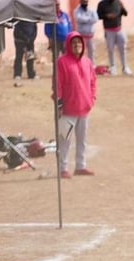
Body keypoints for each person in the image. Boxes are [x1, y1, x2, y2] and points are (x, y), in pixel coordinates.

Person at [53, 32, 97, 179]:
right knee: (65, 140)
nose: (77, 46)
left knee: (82, 140)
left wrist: (92, 99)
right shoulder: (62, 62)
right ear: (69, 46)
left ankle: (80, 166)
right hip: (68, 110)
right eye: (74, 44)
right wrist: (59, 105)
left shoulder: (87, 62)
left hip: (84, 109)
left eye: (79, 43)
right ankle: (63, 168)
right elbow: (57, 84)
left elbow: (93, 82)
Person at [96, 0, 131, 76]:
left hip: (119, 29)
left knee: (123, 49)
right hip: (109, 31)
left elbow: (125, 14)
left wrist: (123, 7)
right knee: (111, 49)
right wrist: (107, 16)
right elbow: (98, 16)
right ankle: (113, 67)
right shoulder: (102, 4)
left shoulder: (118, 3)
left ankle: (125, 67)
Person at [73, 0, 100, 64]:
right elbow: (79, 19)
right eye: (83, 1)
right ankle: (81, 65)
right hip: (82, 36)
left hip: (91, 36)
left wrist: (85, 20)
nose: (85, 2)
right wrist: (90, 19)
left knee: (92, 52)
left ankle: (92, 66)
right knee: (81, 52)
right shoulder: (76, 10)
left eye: (86, 1)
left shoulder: (91, 9)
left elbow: (96, 19)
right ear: (80, 1)